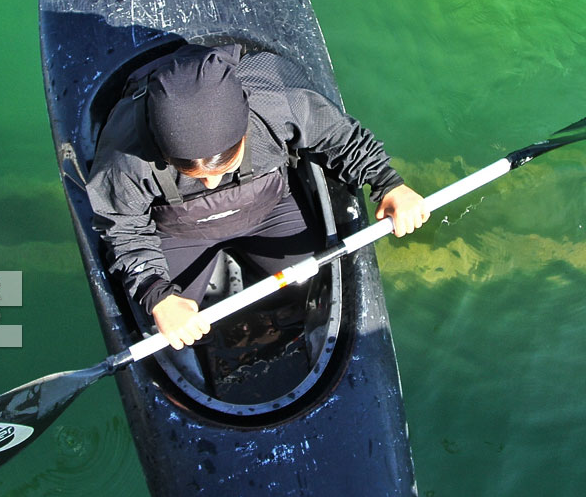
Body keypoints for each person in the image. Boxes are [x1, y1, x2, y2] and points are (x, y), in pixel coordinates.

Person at [86, 43, 430, 350]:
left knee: (313, 279)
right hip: (178, 233)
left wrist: (388, 183)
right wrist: (158, 297)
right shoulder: (123, 154)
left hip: (269, 210)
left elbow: (340, 138)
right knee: (163, 328)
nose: (210, 184)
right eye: (194, 174)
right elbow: (122, 227)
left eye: (224, 167)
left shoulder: (277, 102)